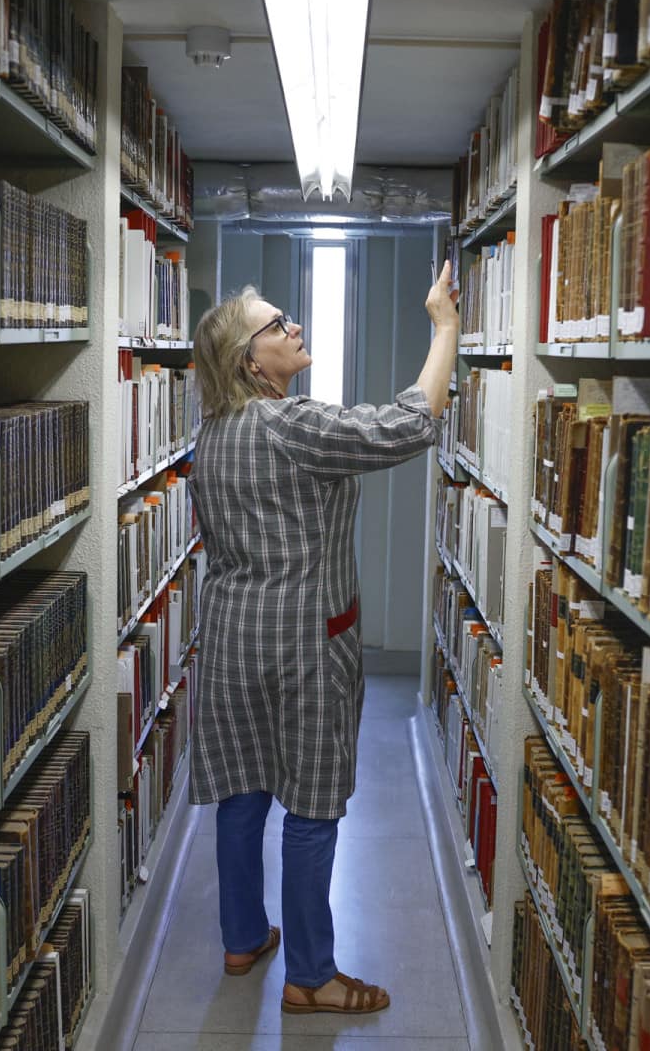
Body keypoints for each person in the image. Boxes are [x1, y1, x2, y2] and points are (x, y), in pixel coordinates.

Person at [185, 261, 460, 1015]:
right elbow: (411, 422)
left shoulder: (210, 434)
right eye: (278, 325)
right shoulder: (292, 425)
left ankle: (243, 937)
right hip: (306, 644)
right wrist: (444, 329)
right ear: (251, 360)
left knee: (242, 793)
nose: (294, 328)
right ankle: (311, 975)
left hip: (233, 638)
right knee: (311, 805)